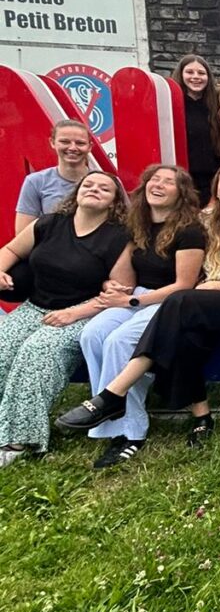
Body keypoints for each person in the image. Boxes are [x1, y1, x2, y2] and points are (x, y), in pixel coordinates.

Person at [56, 163, 220, 449]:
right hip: (201, 303)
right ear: (216, 188)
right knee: (187, 337)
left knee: (179, 300)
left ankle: (114, 394)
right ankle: (202, 418)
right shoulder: (203, 221)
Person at [79, 165, 206, 469]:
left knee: (120, 342)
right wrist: (115, 287)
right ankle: (110, 417)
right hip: (136, 294)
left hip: (168, 301)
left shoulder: (189, 230)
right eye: (154, 180)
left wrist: (133, 299)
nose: (158, 185)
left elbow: (183, 285)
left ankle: (131, 433)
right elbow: (126, 273)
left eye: (168, 182)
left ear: (181, 193)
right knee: (93, 335)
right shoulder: (137, 224)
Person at [0, 172, 130, 467]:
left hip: (84, 311)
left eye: (104, 189)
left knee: (37, 353)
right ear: (77, 193)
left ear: (114, 202)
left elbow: (120, 293)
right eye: (89, 185)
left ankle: (19, 440)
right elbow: (10, 249)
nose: (94, 190)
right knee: (3, 346)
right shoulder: (47, 224)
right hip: (36, 307)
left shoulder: (118, 238)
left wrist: (75, 313)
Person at [14, 119, 94, 233]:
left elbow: (123, 225)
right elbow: (22, 234)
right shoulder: (35, 182)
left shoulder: (108, 183)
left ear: (89, 147)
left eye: (80, 143)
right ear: (52, 142)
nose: (72, 148)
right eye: (65, 142)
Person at [170, 54, 220, 205]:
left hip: (211, 178)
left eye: (201, 73)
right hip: (182, 178)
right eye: (189, 72)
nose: (195, 77)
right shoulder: (171, 105)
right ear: (181, 75)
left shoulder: (216, 104)